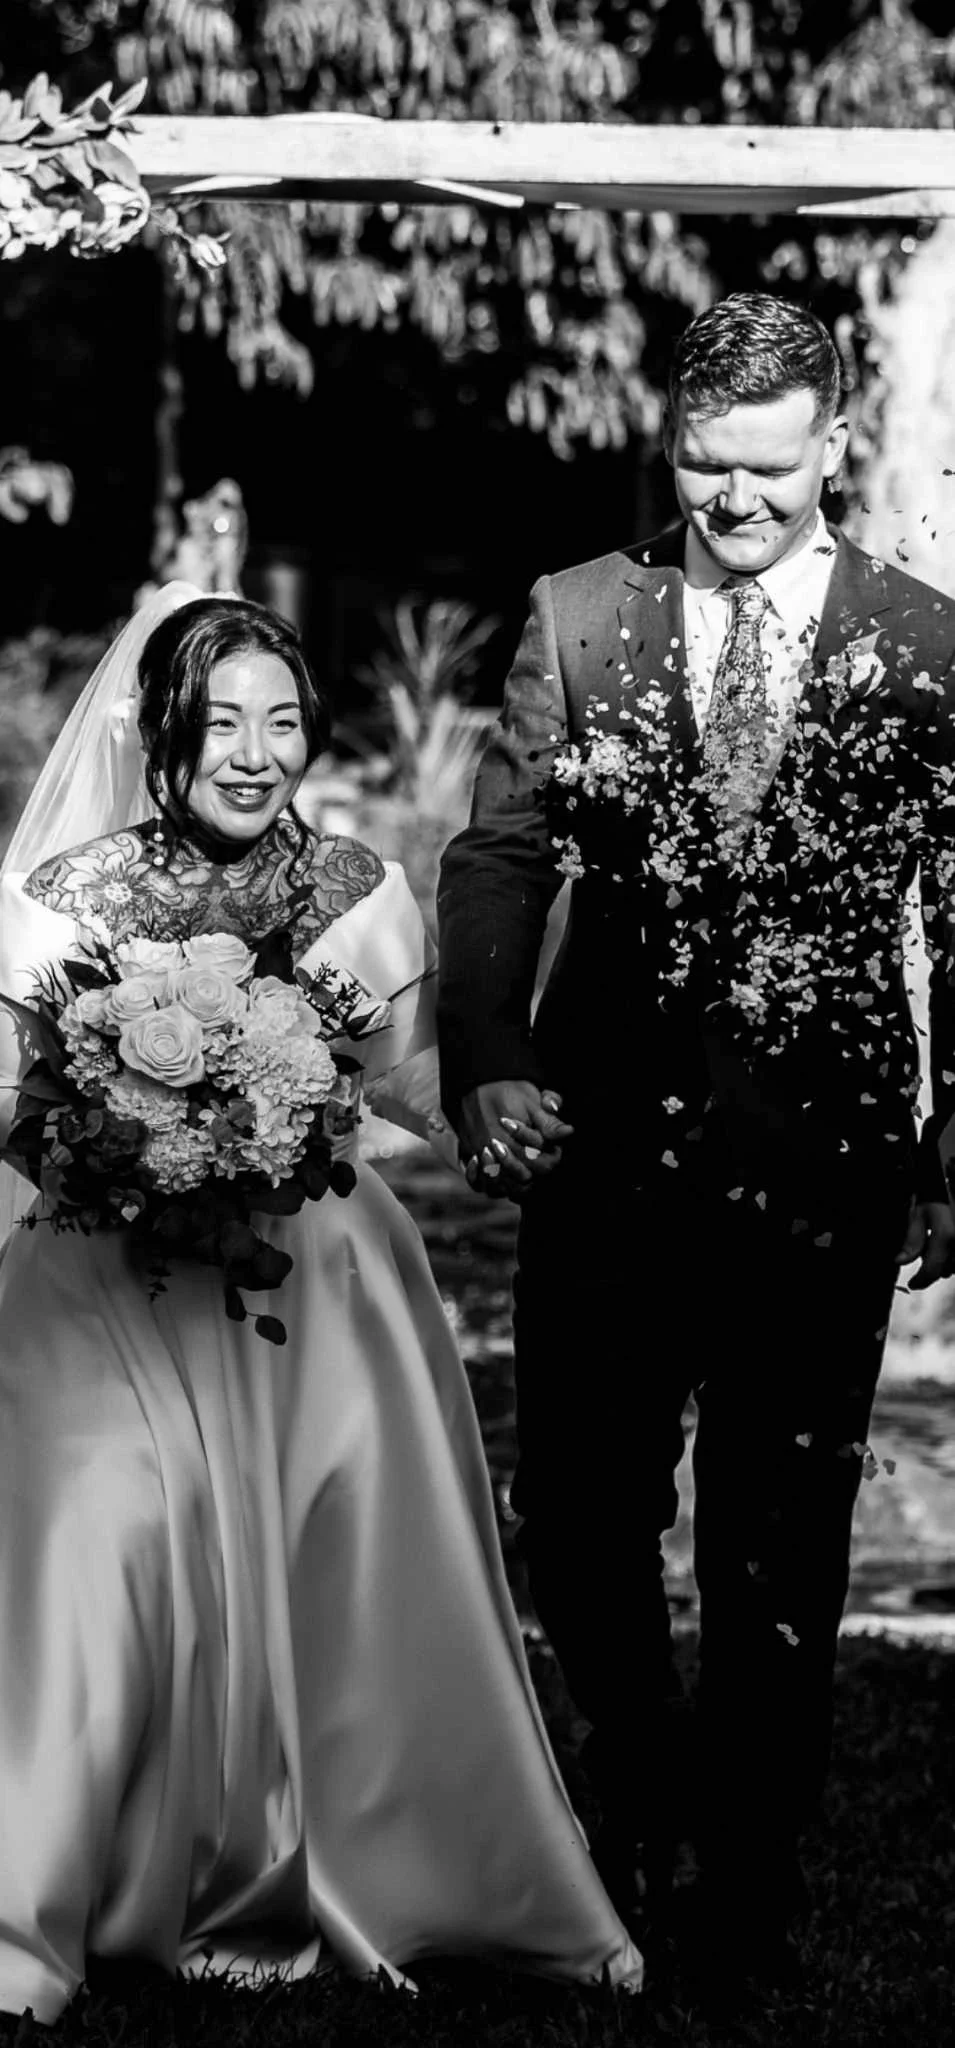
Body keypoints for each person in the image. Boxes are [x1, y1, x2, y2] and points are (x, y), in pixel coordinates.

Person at [0, 584, 644, 2023]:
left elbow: (416, 1087)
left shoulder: (358, 888)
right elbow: (5, 1105)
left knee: (341, 1574)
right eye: (219, 721)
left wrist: (515, 1113)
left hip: (316, 1288)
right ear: (155, 736)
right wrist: (117, 1124)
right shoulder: (57, 902)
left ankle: (399, 1864)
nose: (255, 751)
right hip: (109, 1274)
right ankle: (43, 1892)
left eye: (281, 721)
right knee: (95, 1550)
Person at [435, 292, 955, 1985]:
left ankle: (742, 1880)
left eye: (765, 470)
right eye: (700, 463)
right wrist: (492, 1061)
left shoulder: (930, 647)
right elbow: (500, 854)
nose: (729, 500)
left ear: (835, 446)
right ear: (669, 437)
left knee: (776, 1530)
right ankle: (643, 1778)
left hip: (826, 1166)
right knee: (576, 1518)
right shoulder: (581, 614)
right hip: (605, 1153)